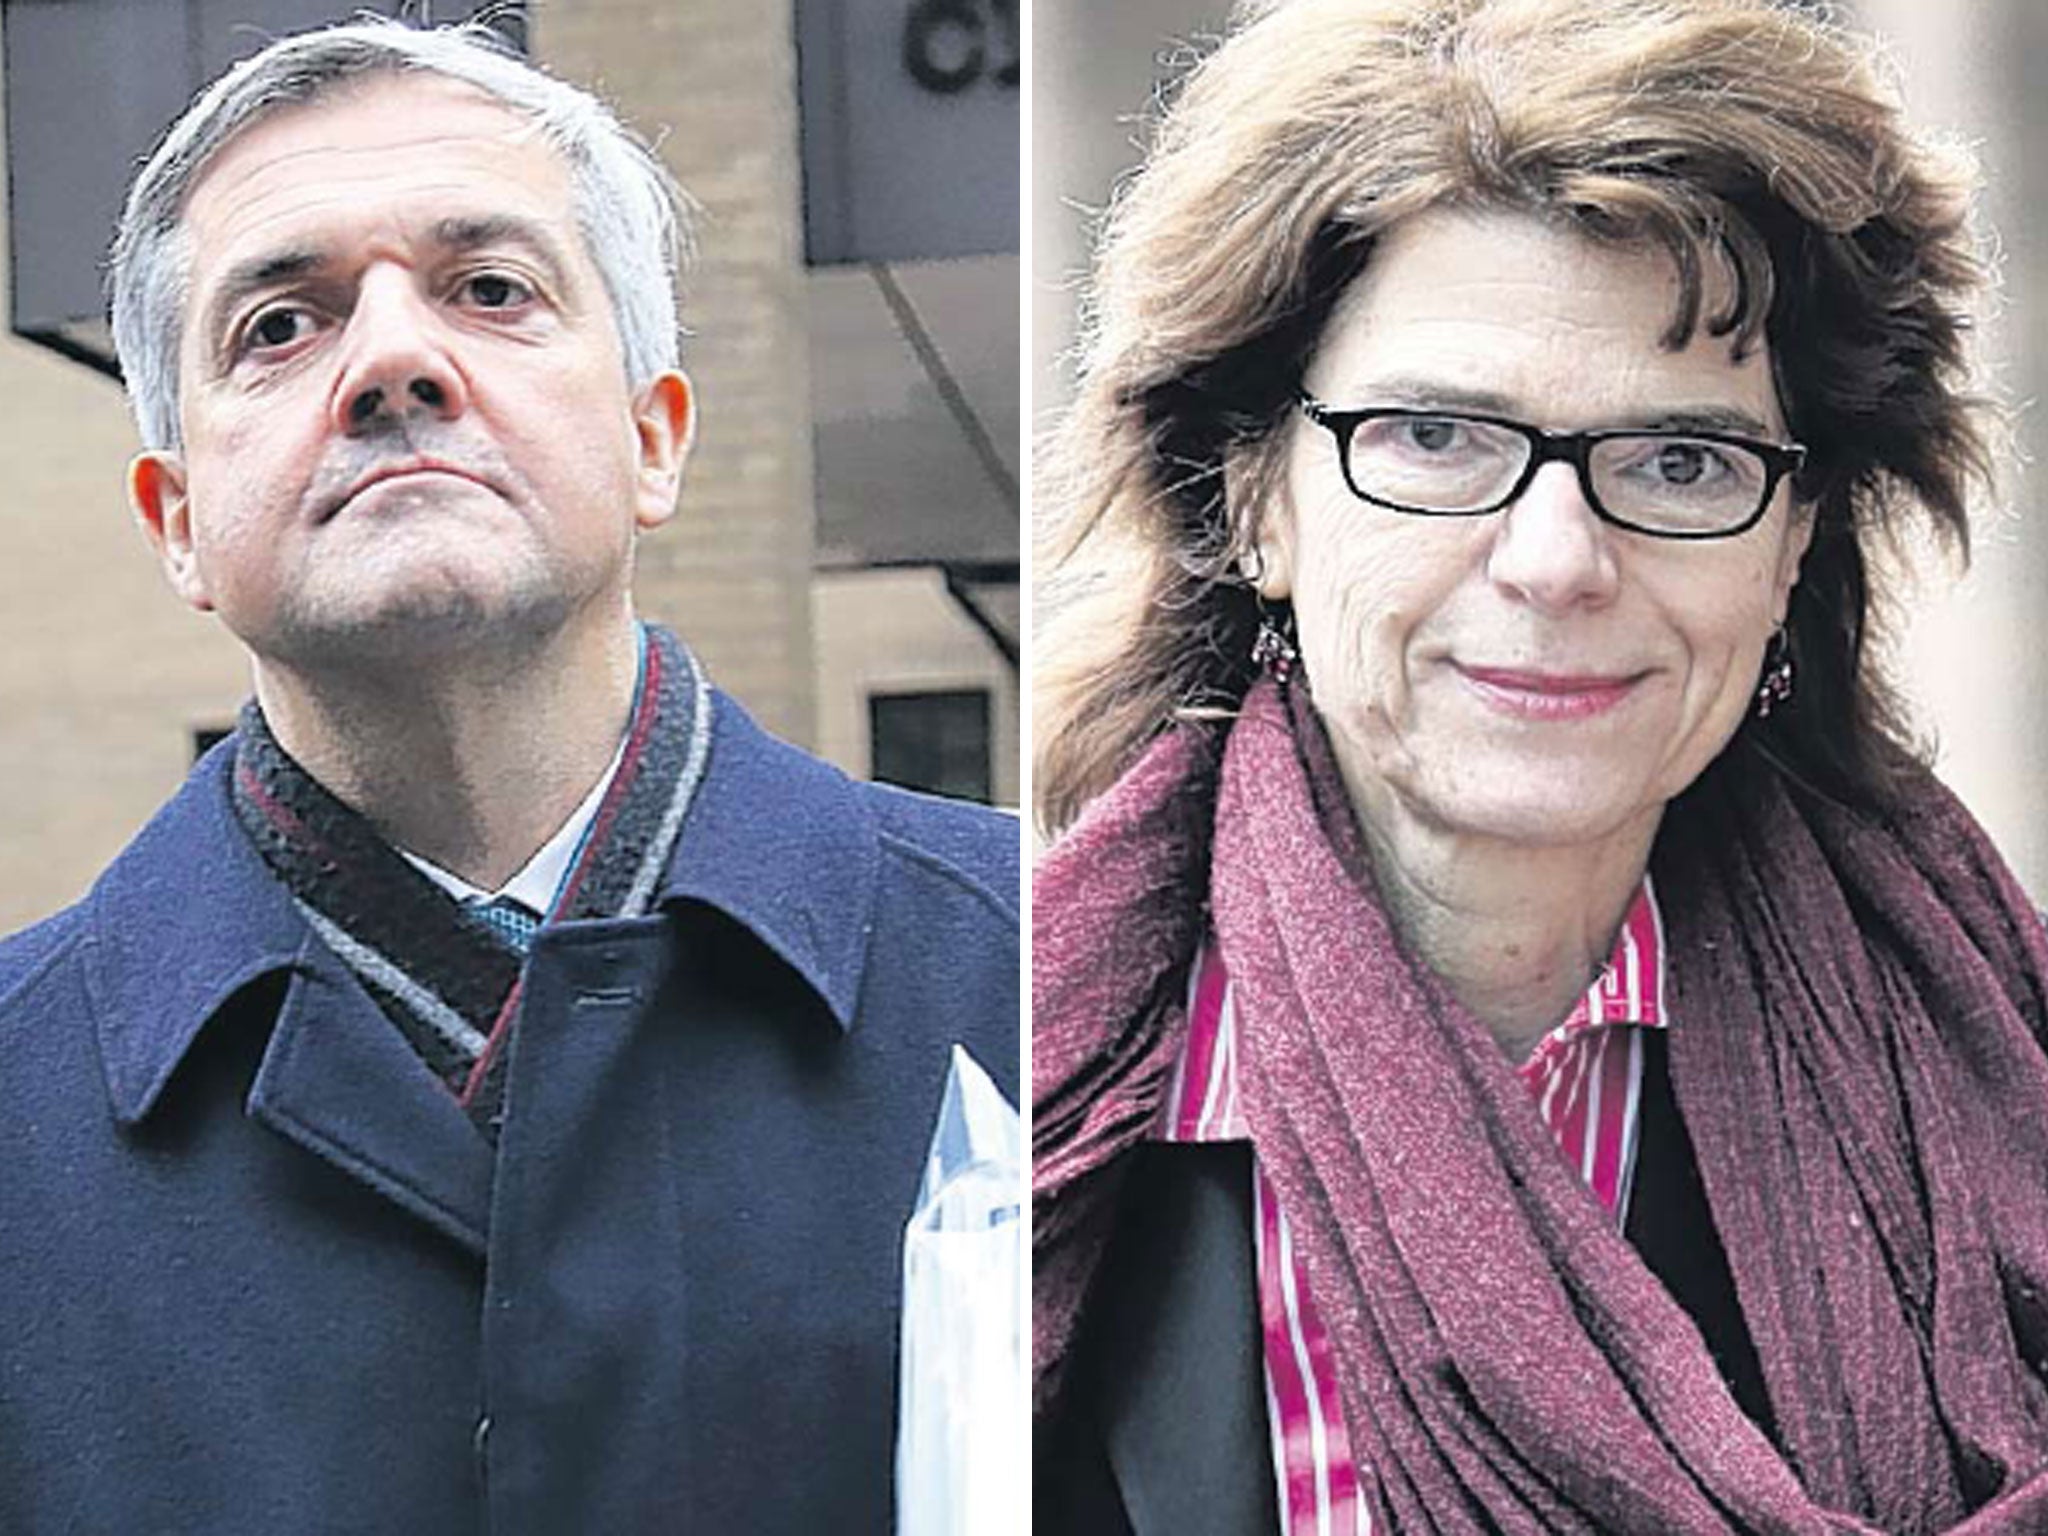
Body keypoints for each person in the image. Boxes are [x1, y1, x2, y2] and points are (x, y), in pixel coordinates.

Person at [1032, 1, 2048, 1531]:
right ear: (1254, 500)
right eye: (1441, 437)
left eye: (1683, 461)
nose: (1558, 560)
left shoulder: (1987, 1079)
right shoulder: (1007, 1088)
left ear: (1794, 546)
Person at [0, 19, 1018, 1533]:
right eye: (279, 325)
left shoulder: (1039, 971)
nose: (393, 360)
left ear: (653, 437)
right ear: (177, 522)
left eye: (492, 289)